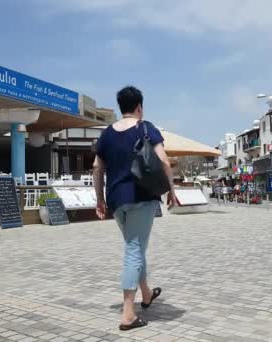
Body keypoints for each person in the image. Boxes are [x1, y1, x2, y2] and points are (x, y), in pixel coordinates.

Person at [93, 86, 177, 331]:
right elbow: (163, 160)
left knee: (135, 246)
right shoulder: (146, 127)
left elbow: (97, 168)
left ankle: (146, 294)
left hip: (117, 201)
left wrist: (99, 199)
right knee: (134, 250)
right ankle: (128, 315)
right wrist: (171, 190)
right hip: (141, 197)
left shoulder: (106, 134)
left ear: (121, 107)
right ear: (139, 106)